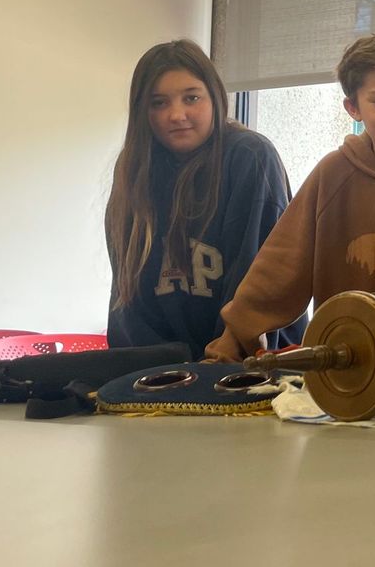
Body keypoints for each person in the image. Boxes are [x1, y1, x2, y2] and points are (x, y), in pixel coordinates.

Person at [206, 34, 375, 361]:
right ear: (353, 108)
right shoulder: (333, 174)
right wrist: (228, 348)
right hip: (351, 357)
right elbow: (277, 270)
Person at [105, 40, 301, 356]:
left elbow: (260, 277)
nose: (177, 114)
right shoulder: (133, 170)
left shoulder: (250, 156)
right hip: (163, 369)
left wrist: (229, 349)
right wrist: (151, 367)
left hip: (249, 362)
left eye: (191, 97)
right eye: (159, 103)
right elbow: (127, 295)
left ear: (215, 98)